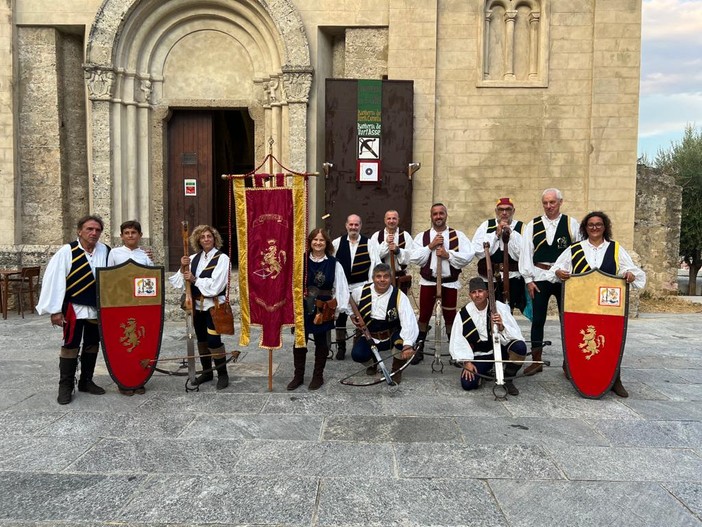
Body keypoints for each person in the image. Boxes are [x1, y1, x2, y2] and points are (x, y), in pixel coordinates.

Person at [549, 211, 646, 397]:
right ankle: (580, 374)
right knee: (578, 341)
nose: (594, 228)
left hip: (607, 307)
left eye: (598, 224)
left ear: (605, 227)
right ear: (585, 228)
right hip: (580, 306)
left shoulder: (615, 248)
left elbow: (632, 272)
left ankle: (615, 379)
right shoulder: (575, 249)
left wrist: (630, 275)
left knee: (611, 341)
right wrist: (559, 273)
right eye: (591, 224)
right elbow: (556, 269)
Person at [36, 215, 110, 405]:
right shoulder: (67, 251)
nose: (94, 233)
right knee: (70, 346)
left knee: (92, 344)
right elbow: (55, 280)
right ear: (79, 231)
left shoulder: (106, 251)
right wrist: (55, 310)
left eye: (97, 230)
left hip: (96, 309)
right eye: (89, 229)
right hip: (73, 309)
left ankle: (86, 381)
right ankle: (65, 386)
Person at [519, 188, 580, 376]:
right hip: (540, 277)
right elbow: (526, 252)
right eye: (545, 203)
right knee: (537, 320)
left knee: (567, 321)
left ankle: (569, 363)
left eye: (552, 202)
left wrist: (573, 276)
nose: (548, 206)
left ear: (560, 202)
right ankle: (536, 361)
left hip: (564, 279)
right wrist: (528, 279)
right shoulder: (532, 225)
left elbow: (578, 251)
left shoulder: (571, 224)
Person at [169, 225, 231, 390]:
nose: (206, 239)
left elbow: (216, 286)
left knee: (214, 340)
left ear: (214, 238)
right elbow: (177, 281)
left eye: (209, 236)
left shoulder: (222, 258)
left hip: (213, 306)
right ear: (198, 240)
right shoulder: (193, 258)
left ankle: (222, 373)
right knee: (202, 339)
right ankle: (207, 372)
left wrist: (195, 280)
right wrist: (183, 267)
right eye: (202, 237)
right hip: (196, 306)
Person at [409, 202, 473, 364]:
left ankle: (455, 351)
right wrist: (430, 246)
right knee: (423, 316)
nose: (438, 216)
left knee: (450, 317)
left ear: (446, 215)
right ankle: (419, 348)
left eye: (441, 213)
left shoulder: (457, 235)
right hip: (429, 282)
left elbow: (468, 255)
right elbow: (414, 257)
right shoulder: (422, 237)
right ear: (431, 216)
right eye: (435, 214)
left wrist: (448, 255)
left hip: (449, 282)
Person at [288, 228, 349, 390]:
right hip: (303, 305)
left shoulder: (333, 263)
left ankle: (318, 376)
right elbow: (292, 283)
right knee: (300, 342)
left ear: (326, 243)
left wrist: (337, 309)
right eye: (315, 239)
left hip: (323, 307)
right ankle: (298, 376)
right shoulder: (301, 261)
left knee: (322, 342)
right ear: (310, 242)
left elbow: (340, 287)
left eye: (322, 240)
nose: (318, 243)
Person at [449, 278, 527, 395]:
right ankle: (485, 371)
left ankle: (508, 377)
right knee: (468, 384)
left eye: (480, 291)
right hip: (481, 355)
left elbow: (516, 334)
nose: (477, 295)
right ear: (470, 295)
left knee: (520, 347)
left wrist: (501, 326)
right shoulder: (463, 313)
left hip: (500, 350)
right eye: (474, 292)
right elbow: (458, 339)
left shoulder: (498, 307)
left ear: (486, 292)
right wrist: (467, 362)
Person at [349, 263, 418, 384]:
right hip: (369, 335)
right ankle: (373, 362)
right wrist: (351, 314)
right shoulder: (360, 291)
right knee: (358, 355)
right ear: (373, 278)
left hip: (391, 335)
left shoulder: (399, 296)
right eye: (378, 276)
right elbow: (347, 301)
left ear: (390, 278)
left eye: (386, 276)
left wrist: (408, 344)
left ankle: (396, 370)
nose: (382, 280)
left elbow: (409, 321)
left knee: (401, 344)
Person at [107, 219, 154, 396]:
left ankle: (139, 378)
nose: (130, 236)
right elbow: (108, 278)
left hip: (140, 304)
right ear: (121, 236)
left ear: (140, 235)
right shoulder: (114, 253)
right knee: (122, 342)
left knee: (140, 342)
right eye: (126, 233)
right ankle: (124, 380)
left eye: (133, 233)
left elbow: (151, 279)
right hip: (120, 303)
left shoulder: (145, 255)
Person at [332, 214, 380, 360]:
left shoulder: (370, 243)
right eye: (351, 224)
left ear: (360, 226)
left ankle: (359, 343)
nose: (353, 227)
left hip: (362, 286)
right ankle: (341, 346)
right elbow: (332, 264)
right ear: (346, 225)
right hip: (342, 287)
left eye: (356, 224)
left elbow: (375, 264)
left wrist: (370, 287)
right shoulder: (337, 243)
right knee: (340, 317)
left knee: (362, 316)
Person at [471, 197, 526, 314]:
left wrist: (511, 235)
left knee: (508, 309)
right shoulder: (486, 226)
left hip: (512, 276)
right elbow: (478, 251)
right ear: (496, 211)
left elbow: (524, 253)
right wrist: (496, 235)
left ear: (513, 211)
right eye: (501, 210)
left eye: (508, 210)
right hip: (490, 276)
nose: (504, 213)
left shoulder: (521, 227)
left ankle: (507, 331)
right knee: (490, 309)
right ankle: (492, 331)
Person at [370, 210, 416, 295]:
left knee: (399, 304)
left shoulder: (405, 235)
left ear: (398, 220)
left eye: (394, 218)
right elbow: (374, 256)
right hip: (382, 278)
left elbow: (411, 256)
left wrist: (398, 251)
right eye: (389, 218)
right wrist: (386, 244)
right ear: (384, 220)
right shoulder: (376, 236)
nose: (391, 221)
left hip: (400, 278)